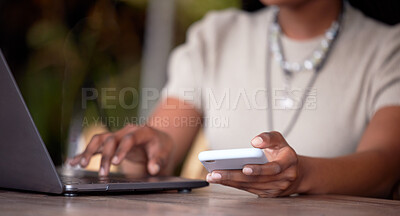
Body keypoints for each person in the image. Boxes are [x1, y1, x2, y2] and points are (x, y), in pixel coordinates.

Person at [70, 0, 400, 198]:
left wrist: (301, 176)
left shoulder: (388, 48)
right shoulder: (217, 35)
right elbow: (162, 147)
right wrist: (143, 154)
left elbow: (386, 164)